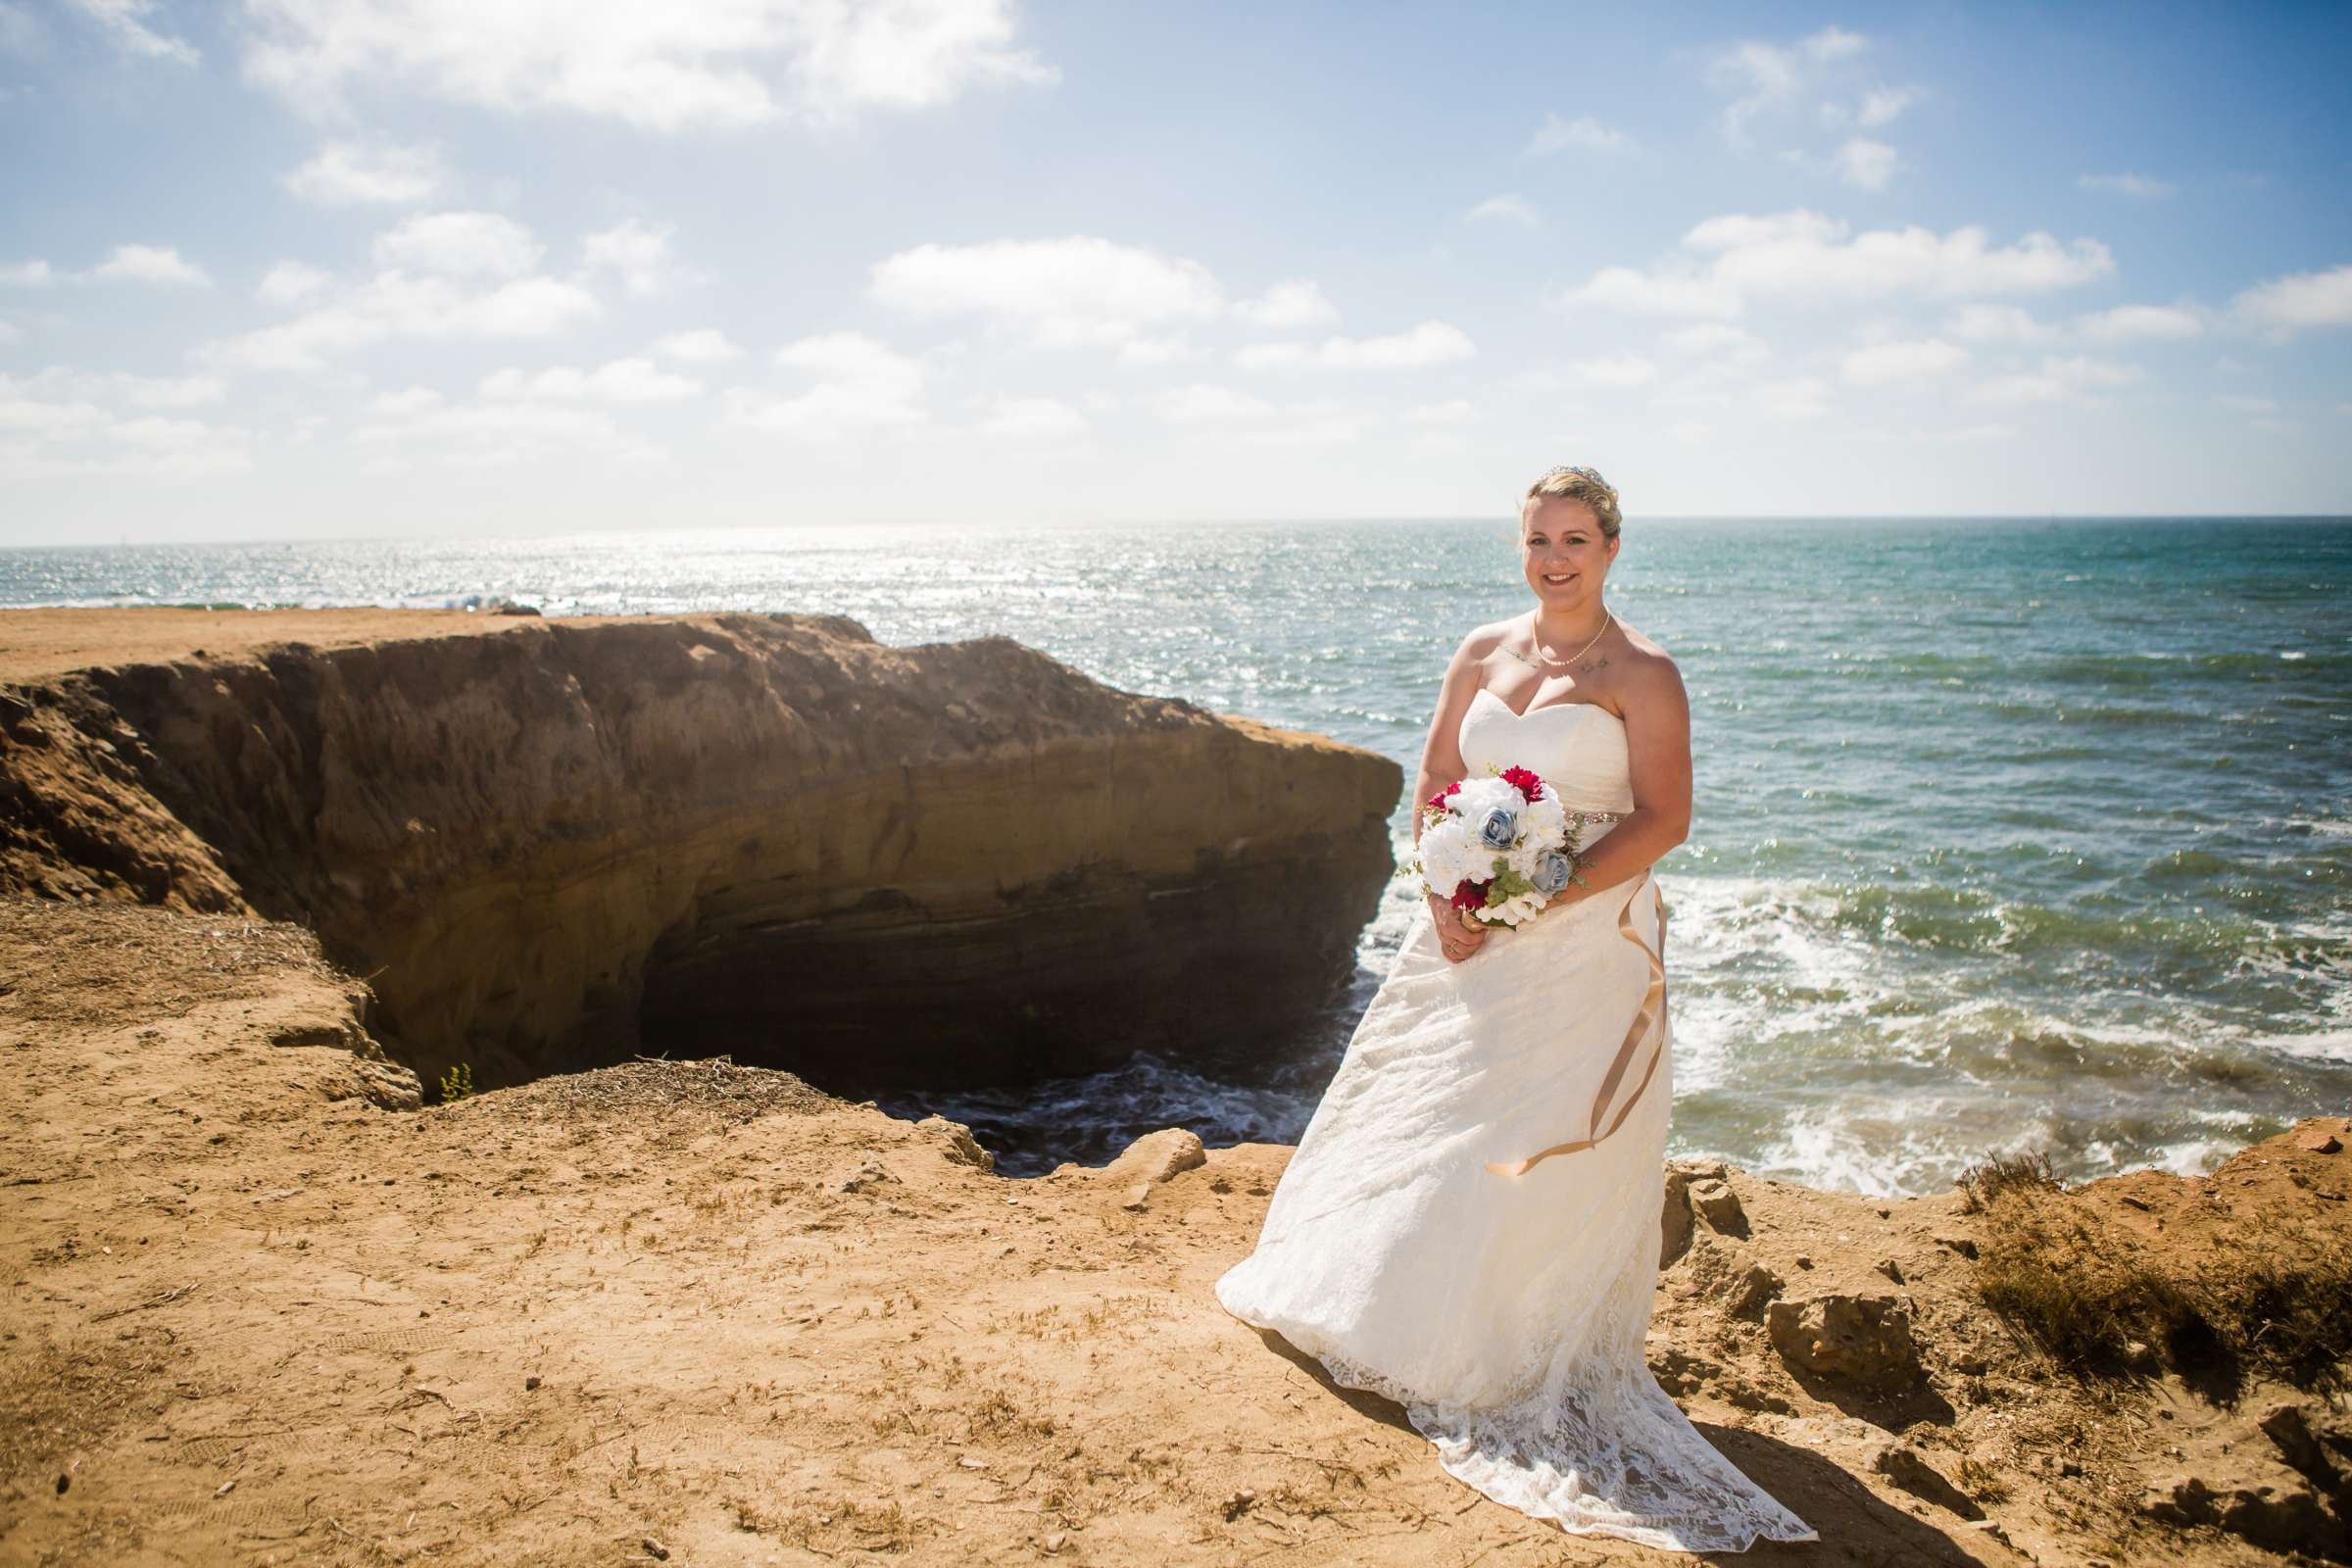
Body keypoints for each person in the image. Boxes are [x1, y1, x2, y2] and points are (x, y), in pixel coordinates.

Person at [1213, 465, 1819, 1551]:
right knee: (1437, 1112)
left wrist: (1543, 898)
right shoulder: (1483, 652)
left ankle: (1493, 1349)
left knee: (1530, 1136)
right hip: (1465, 927)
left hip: (1588, 940)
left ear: (1613, 547)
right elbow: (1440, 780)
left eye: (1577, 539)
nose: (1555, 558)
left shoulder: (1647, 672)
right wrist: (1445, 889)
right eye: (1539, 539)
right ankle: (1395, 1314)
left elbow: (1666, 818)